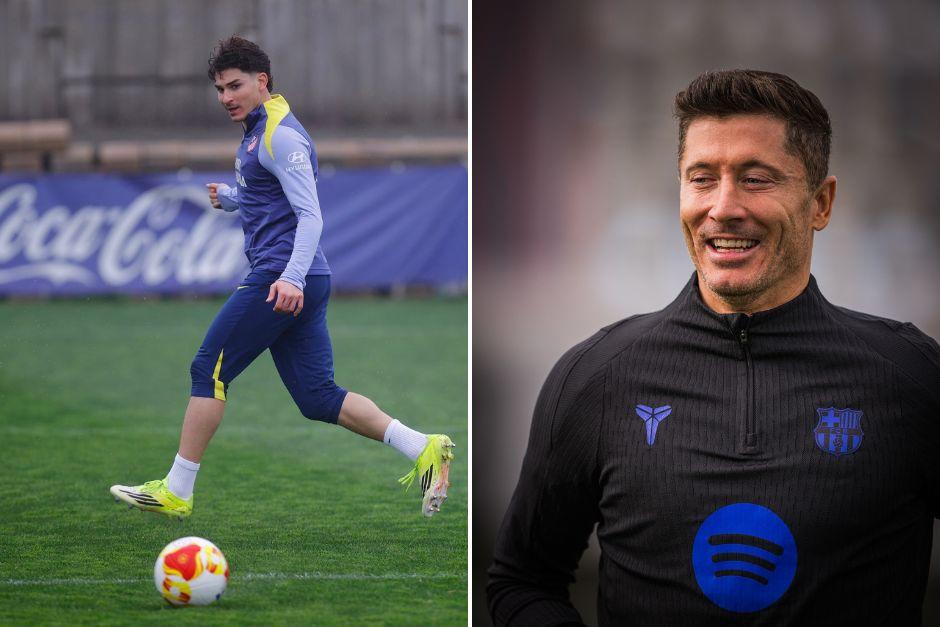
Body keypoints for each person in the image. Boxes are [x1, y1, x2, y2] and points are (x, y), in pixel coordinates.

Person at [487, 69, 939, 625]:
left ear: (821, 203)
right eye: (702, 178)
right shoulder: (595, 377)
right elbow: (522, 580)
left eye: (756, 179)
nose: (722, 207)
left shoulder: (909, 377)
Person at [110, 36, 454, 520]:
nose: (226, 97)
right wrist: (235, 196)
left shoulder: (279, 134)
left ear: (262, 81)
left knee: (208, 370)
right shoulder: (257, 131)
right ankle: (423, 447)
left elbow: (311, 215)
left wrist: (290, 277)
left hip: (282, 279)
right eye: (220, 89)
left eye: (235, 86)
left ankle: (178, 489)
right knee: (318, 398)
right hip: (299, 279)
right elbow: (273, 197)